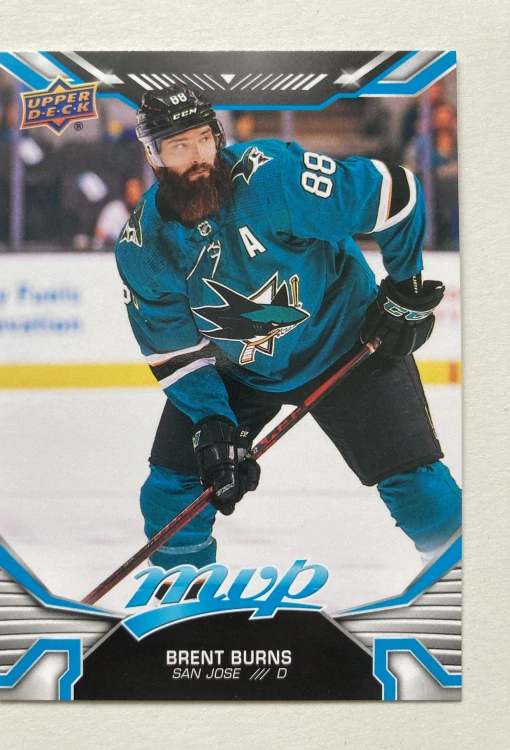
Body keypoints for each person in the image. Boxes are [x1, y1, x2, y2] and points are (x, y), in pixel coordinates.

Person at [115, 84, 461, 572]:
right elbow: (175, 352)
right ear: (153, 156)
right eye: (179, 146)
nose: (198, 157)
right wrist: (213, 422)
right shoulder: (143, 247)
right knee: (171, 492)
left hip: (348, 339)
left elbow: (395, 194)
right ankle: (185, 597)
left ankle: (466, 584)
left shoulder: (274, 177)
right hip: (239, 367)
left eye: (204, 139)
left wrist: (406, 288)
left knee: (420, 489)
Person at [93, 177, 144, 250]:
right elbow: (99, 238)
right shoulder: (113, 210)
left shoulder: (149, 212)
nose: (132, 195)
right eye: (129, 192)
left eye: (136, 191)